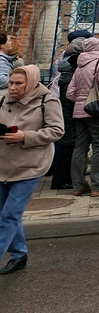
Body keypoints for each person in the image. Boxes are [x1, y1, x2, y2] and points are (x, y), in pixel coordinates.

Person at [0, 65, 65, 274]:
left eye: (18, 83)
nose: (12, 88)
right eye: (11, 83)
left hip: (31, 166)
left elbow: (56, 131)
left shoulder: (47, 101)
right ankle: (19, 254)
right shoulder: (2, 100)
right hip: (3, 165)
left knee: (9, 215)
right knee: (6, 214)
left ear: (31, 83)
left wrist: (25, 136)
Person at [65, 36, 99, 197]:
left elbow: (70, 92)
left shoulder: (80, 65)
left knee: (80, 147)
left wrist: (82, 101)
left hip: (79, 111)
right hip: (95, 111)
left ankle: (78, 185)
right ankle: (98, 185)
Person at [0, 33, 19, 103]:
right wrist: (16, 80)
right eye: (8, 41)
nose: (11, 42)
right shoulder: (1, 60)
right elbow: (2, 80)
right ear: (2, 46)